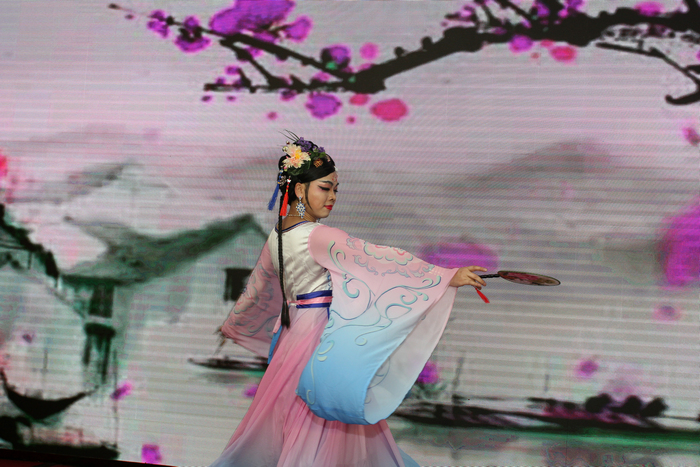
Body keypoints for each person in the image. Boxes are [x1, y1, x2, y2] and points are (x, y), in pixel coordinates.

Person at [210, 135, 487, 467]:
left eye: (335, 190)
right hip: (316, 335)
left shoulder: (278, 234)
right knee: (323, 424)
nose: (332, 197)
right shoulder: (317, 235)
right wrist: (444, 276)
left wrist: (235, 323)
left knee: (289, 420)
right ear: (300, 190)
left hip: (289, 337)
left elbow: (258, 288)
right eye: (325, 188)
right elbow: (378, 259)